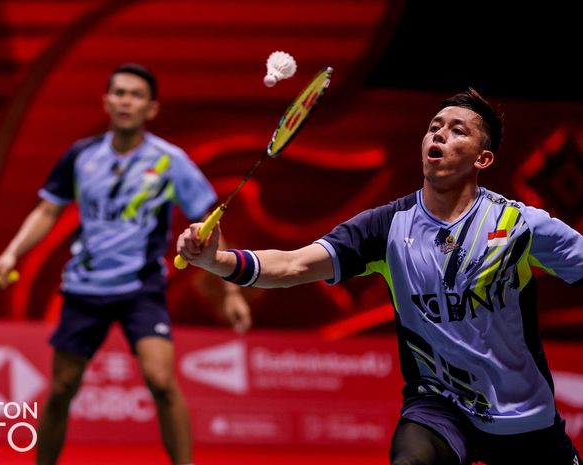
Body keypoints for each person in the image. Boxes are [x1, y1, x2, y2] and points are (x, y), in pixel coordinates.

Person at [176, 88, 583, 465]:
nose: (438, 135)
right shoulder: (386, 226)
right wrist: (217, 261)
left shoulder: (519, 225)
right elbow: (294, 265)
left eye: (457, 130)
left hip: (523, 416)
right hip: (439, 406)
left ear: (483, 158)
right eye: (434, 128)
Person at [0, 63, 251, 465]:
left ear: (152, 107)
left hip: (141, 288)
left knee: (161, 382)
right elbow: (46, 211)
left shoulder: (169, 160)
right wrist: (10, 254)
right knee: (60, 390)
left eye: (136, 95)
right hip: (84, 288)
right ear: (106, 101)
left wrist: (229, 290)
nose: (126, 101)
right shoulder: (81, 155)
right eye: (120, 93)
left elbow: (207, 222)